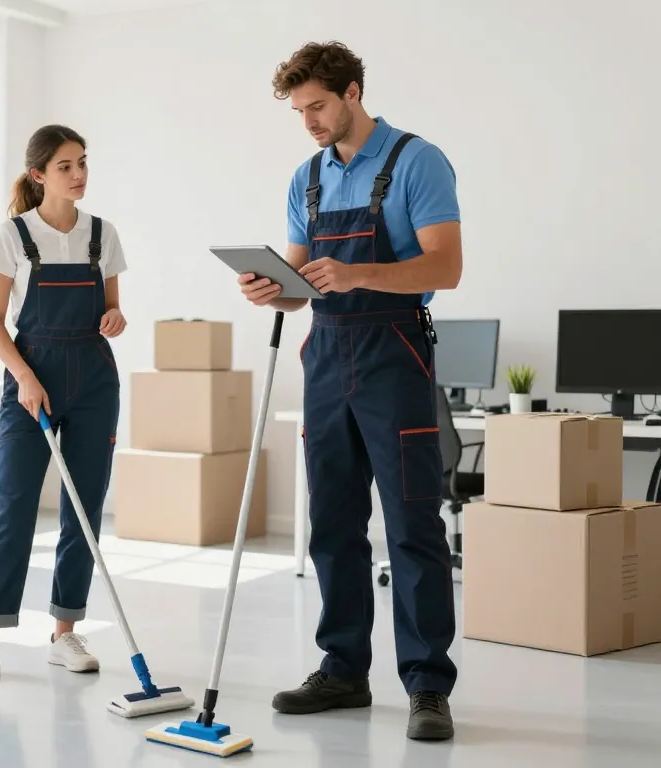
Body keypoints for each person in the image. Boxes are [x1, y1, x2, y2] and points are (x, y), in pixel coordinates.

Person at [238, 42, 462, 740]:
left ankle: (427, 685)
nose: (308, 122)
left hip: (395, 354)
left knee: (412, 524)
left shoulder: (417, 161)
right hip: (328, 358)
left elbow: (446, 268)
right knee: (333, 523)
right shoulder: (306, 178)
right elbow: (300, 286)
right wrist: (271, 289)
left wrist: (359, 273)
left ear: (353, 93)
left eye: (317, 107)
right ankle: (342, 669)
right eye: (298, 111)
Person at [0, 125, 127, 683]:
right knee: (14, 507)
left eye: (83, 163)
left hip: (94, 380)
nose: (79, 175)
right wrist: (26, 378)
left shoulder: (102, 234)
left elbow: (113, 309)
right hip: (31, 379)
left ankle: (65, 632)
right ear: (38, 175)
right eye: (65, 166)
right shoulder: (12, 236)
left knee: (83, 507)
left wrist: (115, 318)